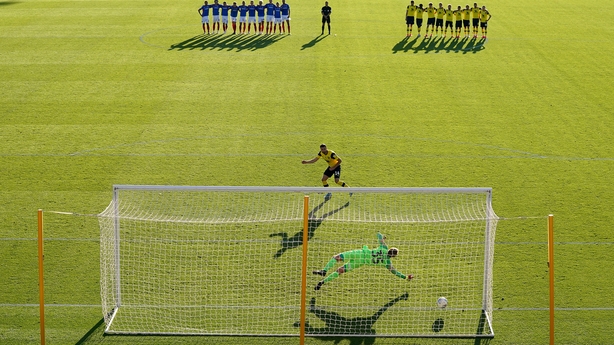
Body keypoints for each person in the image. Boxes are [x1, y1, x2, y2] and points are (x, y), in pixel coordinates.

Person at [312, 233, 413, 291]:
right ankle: (322, 282)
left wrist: (382, 237)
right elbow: (395, 272)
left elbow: (378, 235)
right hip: (360, 262)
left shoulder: (384, 247)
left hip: (359, 253)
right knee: (340, 271)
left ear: (389, 249)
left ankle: (324, 270)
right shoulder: (387, 263)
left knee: (336, 258)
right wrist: (405, 277)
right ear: (393, 257)